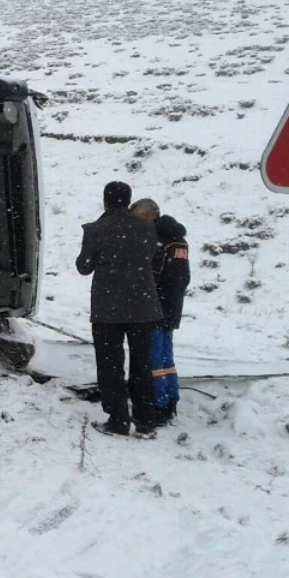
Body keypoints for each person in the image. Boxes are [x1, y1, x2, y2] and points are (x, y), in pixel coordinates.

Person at [75, 181, 164, 439]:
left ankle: (118, 420)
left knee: (110, 366)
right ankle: (145, 421)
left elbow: (84, 267)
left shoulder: (95, 229)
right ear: (128, 200)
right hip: (144, 309)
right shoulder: (147, 229)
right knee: (142, 364)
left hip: (107, 311)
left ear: (105, 200)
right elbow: (151, 258)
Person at [131, 198, 190, 424]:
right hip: (172, 307)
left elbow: (154, 275)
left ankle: (158, 403)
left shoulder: (159, 242)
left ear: (149, 217)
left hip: (156, 308)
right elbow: (181, 278)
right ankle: (170, 399)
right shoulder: (179, 242)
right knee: (166, 357)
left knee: (154, 358)